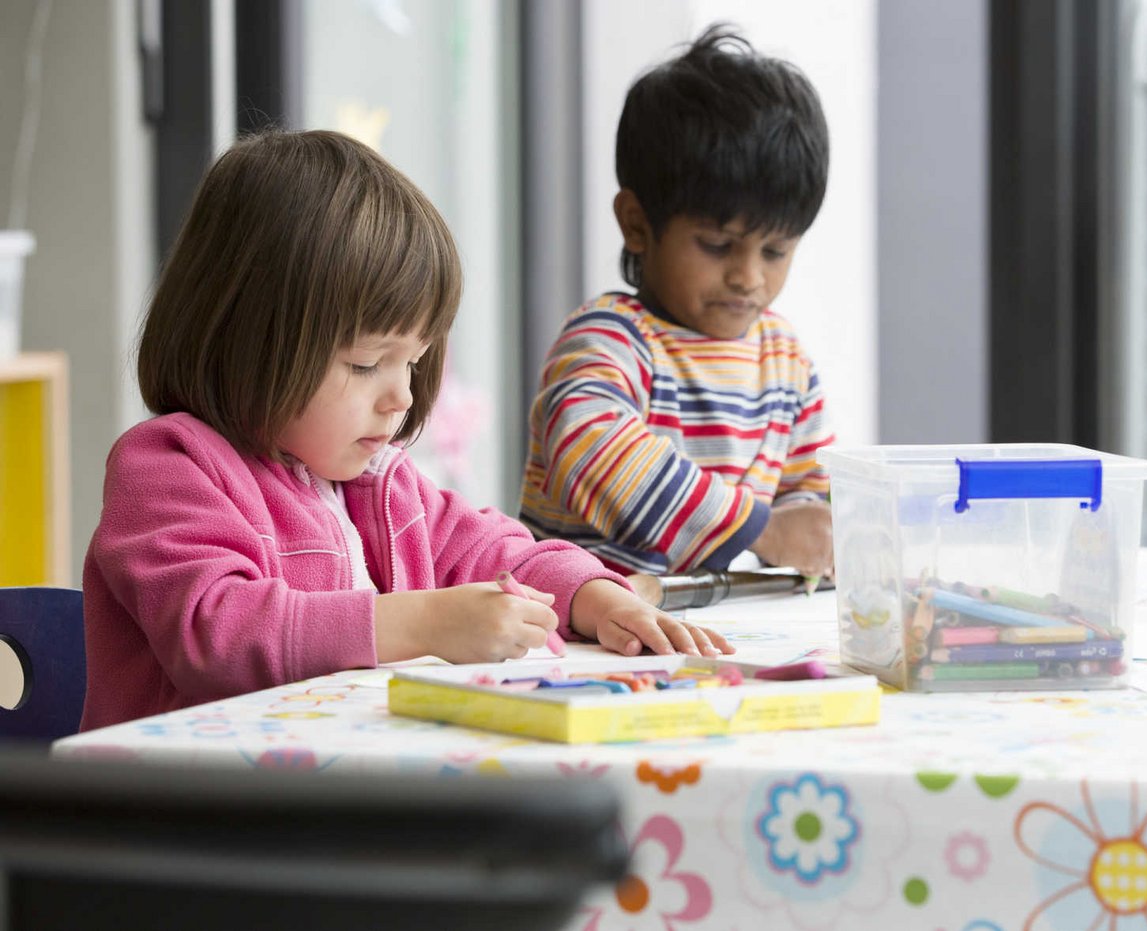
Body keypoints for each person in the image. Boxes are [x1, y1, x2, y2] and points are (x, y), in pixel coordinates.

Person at [81, 130, 731, 732]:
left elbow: (497, 551)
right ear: (244, 340)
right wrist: (422, 621)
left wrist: (597, 597)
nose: (403, 396)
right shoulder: (168, 467)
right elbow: (215, 633)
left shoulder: (379, 483)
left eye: (414, 363)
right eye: (367, 364)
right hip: (192, 806)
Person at [519, 25, 835, 581]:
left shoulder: (786, 361)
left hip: (701, 627)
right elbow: (590, 446)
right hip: (576, 622)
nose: (748, 277)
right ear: (637, 225)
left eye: (775, 251)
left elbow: (807, 503)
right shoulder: (609, 340)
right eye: (717, 245)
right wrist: (758, 529)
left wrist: (821, 538)